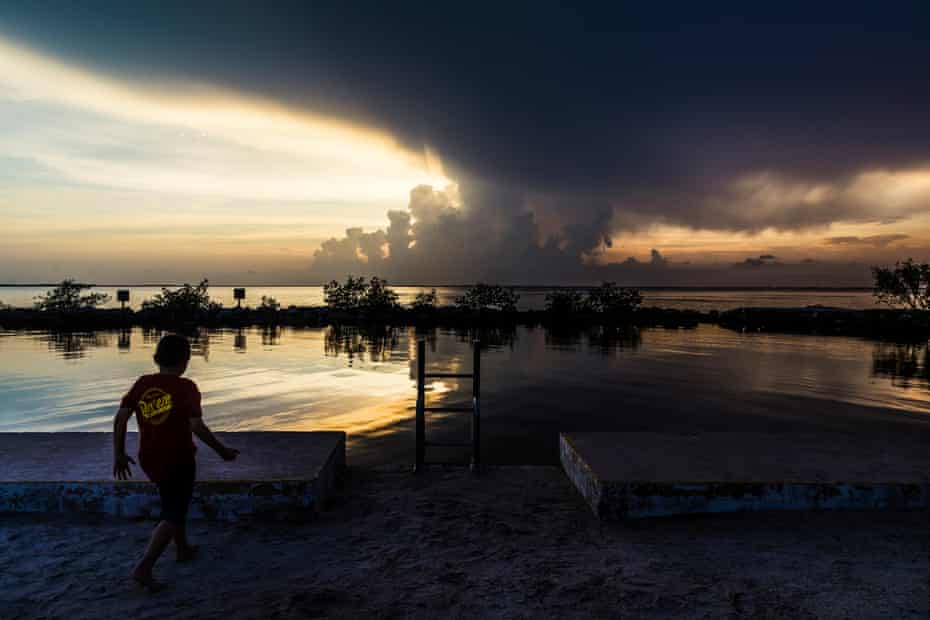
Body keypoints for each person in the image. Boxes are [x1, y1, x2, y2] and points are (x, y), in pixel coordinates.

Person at [112, 333, 239, 592]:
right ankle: (144, 567)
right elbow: (197, 427)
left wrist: (119, 453)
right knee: (173, 512)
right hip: (178, 459)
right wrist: (222, 450)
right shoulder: (187, 388)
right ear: (186, 360)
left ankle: (182, 548)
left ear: (157, 358)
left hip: (149, 458)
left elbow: (121, 418)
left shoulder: (142, 383)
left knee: (173, 502)